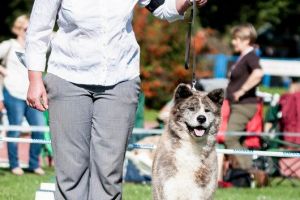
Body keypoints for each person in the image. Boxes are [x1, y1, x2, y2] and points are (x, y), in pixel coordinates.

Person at [25, 0, 208, 199]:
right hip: (68, 76)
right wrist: (35, 80)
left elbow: (165, 9)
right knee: (71, 171)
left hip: (120, 79)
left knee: (109, 172)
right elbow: (38, 30)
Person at [0, 15, 46, 176]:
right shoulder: (9, 45)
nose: (29, 31)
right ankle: (14, 165)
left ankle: (34, 164)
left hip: (31, 93)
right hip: (13, 93)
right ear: (18, 29)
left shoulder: (34, 47)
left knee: (39, 128)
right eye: (26, 28)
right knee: (15, 129)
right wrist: (4, 71)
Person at [224, 23, 264, 170]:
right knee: (238, 139)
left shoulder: (250, 56)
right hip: (237, 105)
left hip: (244, 105)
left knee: (230, 138)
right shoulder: (242, 57)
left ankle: (252, 172)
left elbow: (258, 73)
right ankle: (241, 175)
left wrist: (241, 90)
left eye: (236, 39)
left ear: (246, 40)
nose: (233, 42)